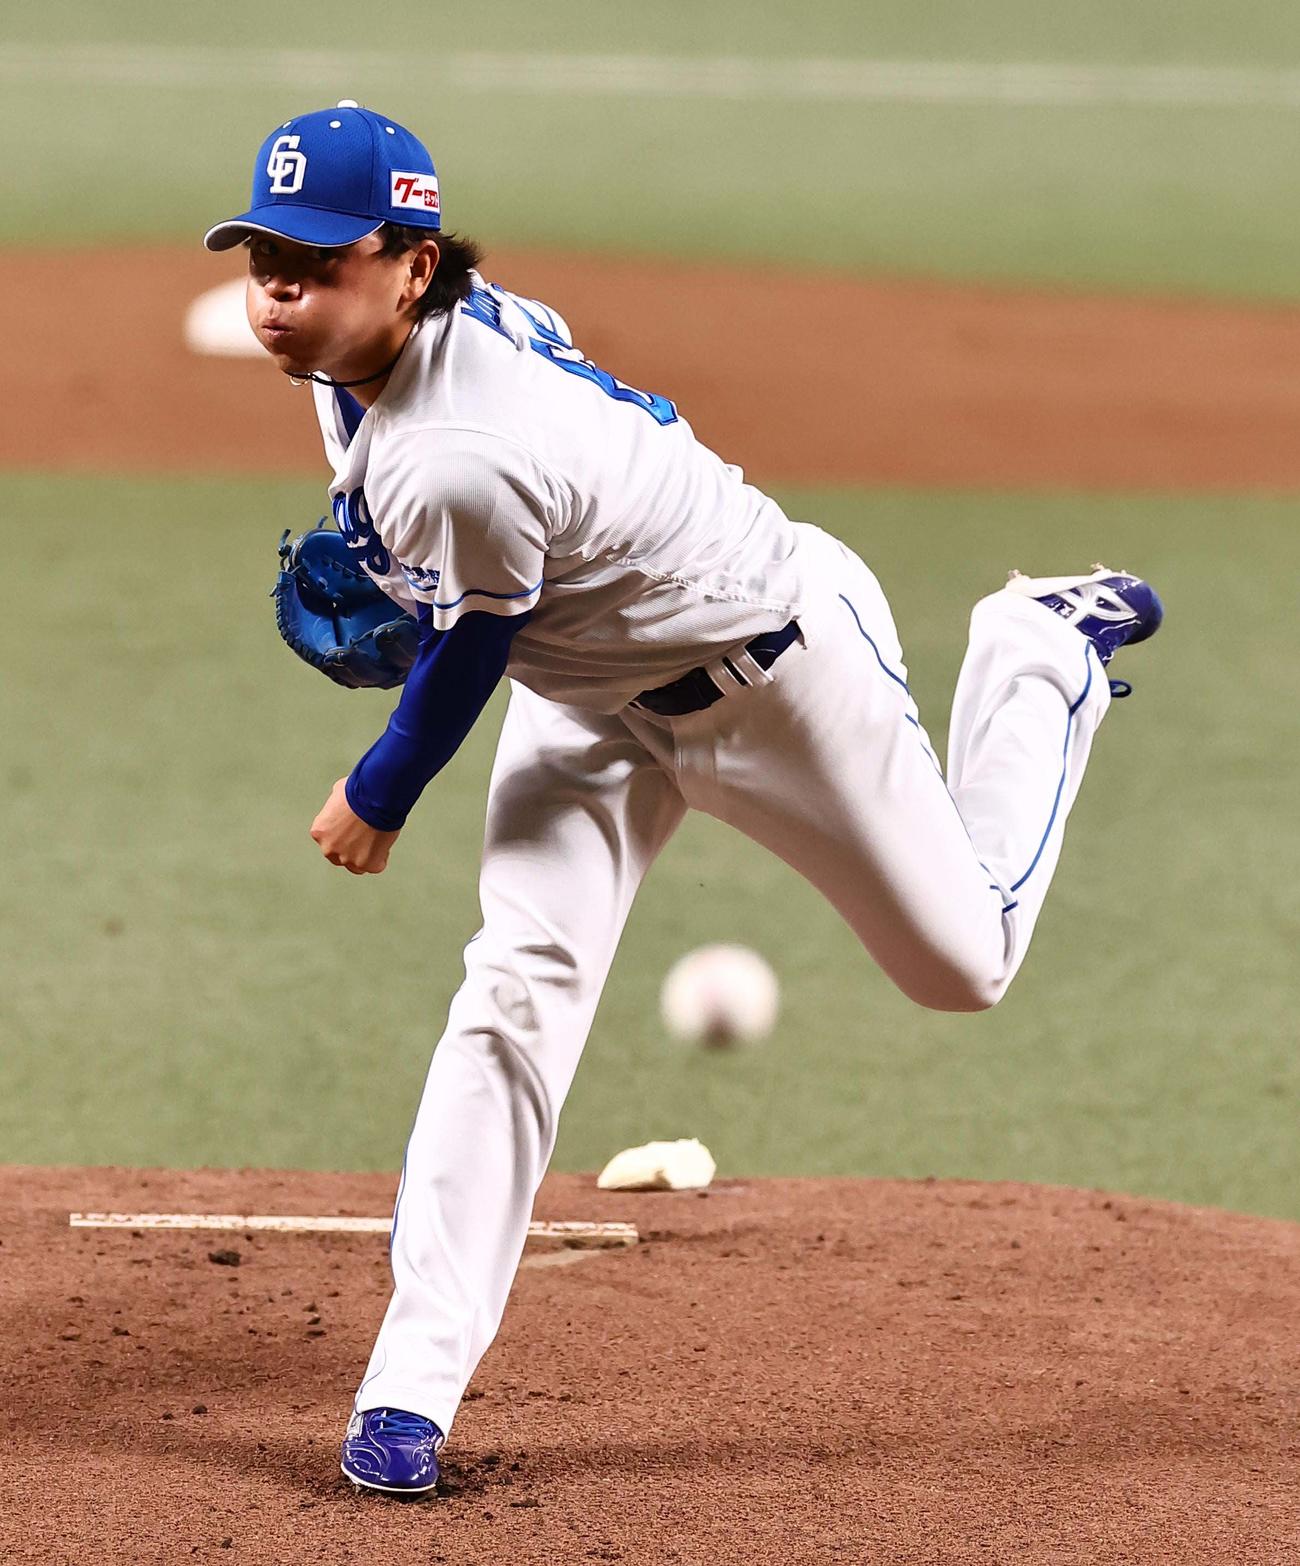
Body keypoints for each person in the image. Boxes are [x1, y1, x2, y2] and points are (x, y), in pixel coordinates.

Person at [204, 102, 1163, 1496]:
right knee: (515, 988)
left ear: (414, 265)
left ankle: (1036, 650)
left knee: (968, 964)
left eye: (316, 259)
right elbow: (504, 531)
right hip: (587, 700)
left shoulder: (456, 453)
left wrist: (379, 784)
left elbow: (469, 642)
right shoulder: (375, 362)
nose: (279, 289)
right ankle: (409, 1389)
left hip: (776, 671)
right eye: (263, 256)